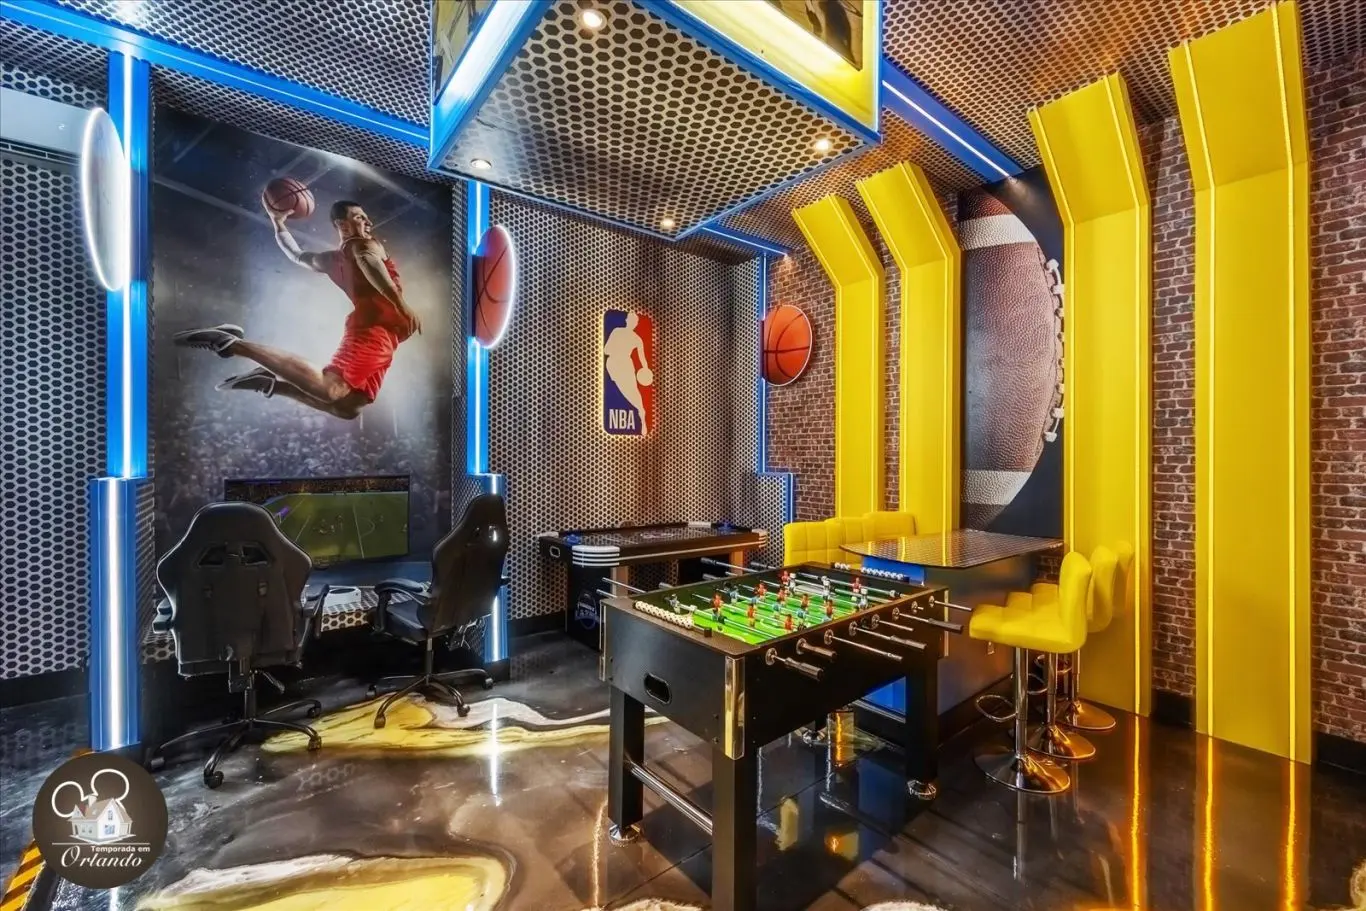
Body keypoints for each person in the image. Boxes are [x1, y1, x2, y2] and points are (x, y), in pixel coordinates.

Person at [172, 196, 422, 420]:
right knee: (331, 390)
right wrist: (400, 304)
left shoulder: (329, 260)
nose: (368, 221)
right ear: (343, 225)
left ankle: (270, 383)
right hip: (374, 327)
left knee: (348, 408)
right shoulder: (363, 244)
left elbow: (295, 254)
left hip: (384, 332)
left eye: (366, 217)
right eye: (359, 217)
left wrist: (278, 224)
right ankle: (229, 343)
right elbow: (368, 262)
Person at [603, 311, 650, 434]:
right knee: (626, 391)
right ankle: (641, 411)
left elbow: (642, 358)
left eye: (635, 321)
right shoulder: (617, 332)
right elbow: (605, 350)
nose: (632, 323)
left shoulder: (637, 339)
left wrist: (646, 370)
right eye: (631, 320)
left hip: (625, 365)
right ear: (627, 320)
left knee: (633, 391)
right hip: (614, 365)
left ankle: (641, 413)